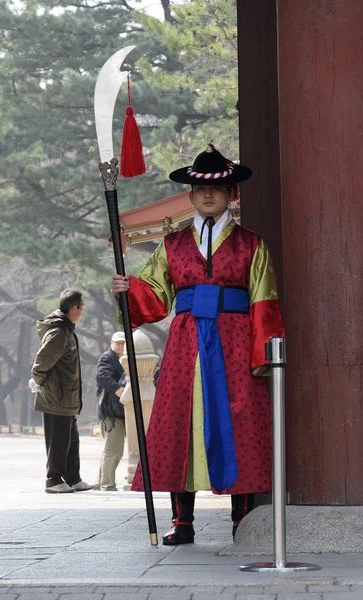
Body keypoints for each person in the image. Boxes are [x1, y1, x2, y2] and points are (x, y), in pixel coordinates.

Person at [112, 144, 284, 545]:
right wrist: (127, 290)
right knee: (179, 422)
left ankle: (243, 519)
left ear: (231, 194)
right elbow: (154, 297)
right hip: (186, 343)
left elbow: (265, 299)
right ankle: (182, 521)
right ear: (190, 195)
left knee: (242, 423)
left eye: (218, 189)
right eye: (200, 189)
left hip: (237, 343)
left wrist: (263, 352)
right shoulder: (171, 245)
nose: (208, 195)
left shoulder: (251, 244)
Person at [30, 289, 93, 494]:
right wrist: (38, 382)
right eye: (82, 307)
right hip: (56, 397)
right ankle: (53, 480)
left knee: (71, 440)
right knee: (58, 441)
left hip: (66, 396)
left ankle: (73, 478)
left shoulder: (67, 329)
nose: (83, 311)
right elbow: (42, 362)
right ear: (74, 308)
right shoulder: (58, 332)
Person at [94, 331, 126, 491]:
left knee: (111, 449)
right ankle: (107, 484)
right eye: (117, 343)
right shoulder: (108, 358)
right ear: (111, 343)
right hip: (110, 413)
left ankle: (101, 483)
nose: (120, 346)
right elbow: (102, 377)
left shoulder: (122, 360)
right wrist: (117, 389)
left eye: (123, 343)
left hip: (116, 412)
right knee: (113, 450)